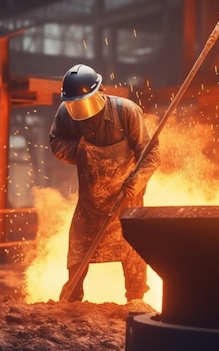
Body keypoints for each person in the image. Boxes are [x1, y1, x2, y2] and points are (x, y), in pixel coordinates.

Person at [49, 63, 160, 303]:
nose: (81, 109)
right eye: (75, 104)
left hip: (126, 196)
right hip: (91, 199)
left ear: (100, 91)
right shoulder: (66, 113)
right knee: (78, 248)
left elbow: (151, 153)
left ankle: (135, 299)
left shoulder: (127, 112)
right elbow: (56, 142)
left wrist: (136, 181)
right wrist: (81, 151)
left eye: (85, 101)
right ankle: (72, 300)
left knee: (132, 248)